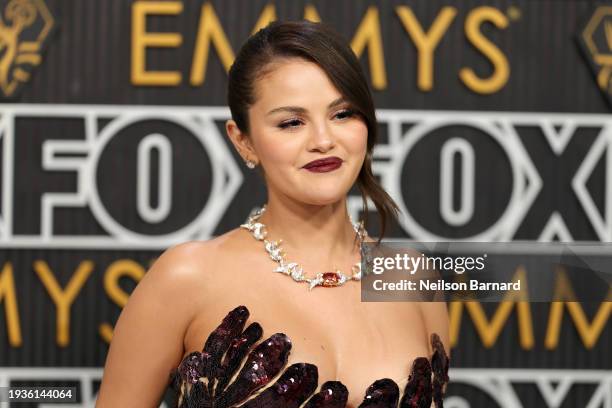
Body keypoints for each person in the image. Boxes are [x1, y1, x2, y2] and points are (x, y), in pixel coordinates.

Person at [96, 20, 450, 408]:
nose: (323, 140)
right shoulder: (187, 277)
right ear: (243, 140)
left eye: (343, 114)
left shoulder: (413, 278)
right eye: (291, 122)